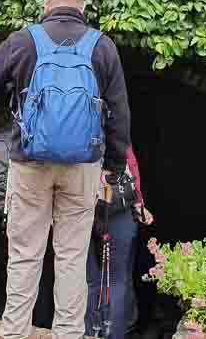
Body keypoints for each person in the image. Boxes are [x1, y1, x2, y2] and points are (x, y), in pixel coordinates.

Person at [0, 0, 131, 339]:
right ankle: (69, 333)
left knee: (26, 254)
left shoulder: (24, 40)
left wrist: (15, 104)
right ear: (82, 9)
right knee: (72, 258)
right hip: (83, 166)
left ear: (46, 6)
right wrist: (114, 166)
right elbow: (120, 113)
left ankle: (13, 332)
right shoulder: (102, 46)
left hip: (30, 163)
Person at [85, 145, 154, 339]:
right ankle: (114, 334)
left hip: (83, 205)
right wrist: (139, 203)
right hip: (118, 205)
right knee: (116, 281)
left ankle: (91, 333)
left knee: (91, 281)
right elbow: (130, 163)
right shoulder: (115, 120)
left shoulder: (72, 122)